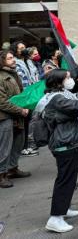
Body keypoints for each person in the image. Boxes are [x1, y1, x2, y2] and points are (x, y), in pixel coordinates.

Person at [39, 69, 78, 233]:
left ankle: (64, 208)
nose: (71, 80)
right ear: (58, 82)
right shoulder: (57, 99)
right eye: (67, 78)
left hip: (66, 141)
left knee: (69, 179)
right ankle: (55, 218)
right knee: (65, 179)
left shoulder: (58, 96)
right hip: (64, 143)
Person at [0, 51, 31, 189]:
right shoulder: (1, 77)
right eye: (10, 58)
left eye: (13, 57)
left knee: (18, 142)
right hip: (4, 117)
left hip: (17, 115)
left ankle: (12, 168)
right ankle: (1, 174)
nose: (13, 60)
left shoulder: (13, 73)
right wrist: (20, 110)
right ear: (2, 61)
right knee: (5, 147)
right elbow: (1, 102)